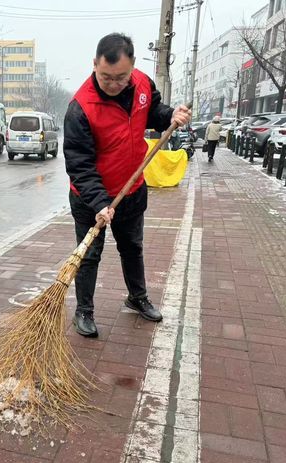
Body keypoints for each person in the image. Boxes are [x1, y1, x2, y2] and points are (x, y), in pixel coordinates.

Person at [64, 32, 191, 337]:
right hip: (90, 198)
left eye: (121, 77)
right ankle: (84, 310)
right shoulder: (81, 107)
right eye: (106, 77)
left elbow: (154, 113)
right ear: (95, 64)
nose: (113, 84)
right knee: (89, 254)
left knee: (132, 248)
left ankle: (137, 297)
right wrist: (99, 204)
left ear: (132, 66)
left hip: (131, 190)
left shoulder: (144, 84)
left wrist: (171, 115)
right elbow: (79, 165)